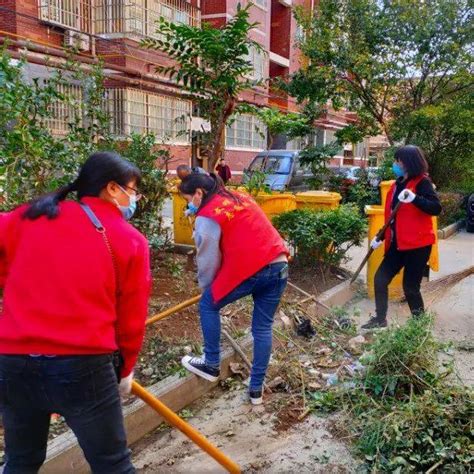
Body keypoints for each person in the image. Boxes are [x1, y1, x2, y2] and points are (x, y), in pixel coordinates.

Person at [0, 152, 151, 472]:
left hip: (14, 363)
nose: (133, 199)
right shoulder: (128, 239)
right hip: (83, 366)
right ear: (112, 188)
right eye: (133, 190)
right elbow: (131, 317)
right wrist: (126, 368)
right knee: (112, 463)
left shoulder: (29, 217)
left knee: (21, 460)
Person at [178, 174, 289, 405]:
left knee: (208, 305)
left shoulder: (207, 216)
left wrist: (207, 290)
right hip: (279, 263)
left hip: (253, 268)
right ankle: (256, 390)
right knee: (262, 327)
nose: (190, 205)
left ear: (199, 193)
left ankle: (210, 364)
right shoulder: (240, 197)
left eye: (189, 199)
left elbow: (208, 260)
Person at [363, 145, 441, 329]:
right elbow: (392, 217)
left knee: (410, 287)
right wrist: (379, 237)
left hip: (418, 245)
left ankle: (418, 325)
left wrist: (415, 199)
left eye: (397, 161)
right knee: (380, 279)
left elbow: (436, 208)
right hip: (397, 244)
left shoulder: (422, 183)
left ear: (407, 162)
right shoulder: (396, 185)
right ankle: (380, 319)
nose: (395, 164)